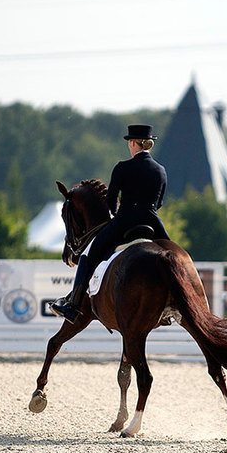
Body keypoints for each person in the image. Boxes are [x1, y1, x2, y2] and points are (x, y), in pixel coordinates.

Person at [51, 124, 171, 324]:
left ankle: (72, 305)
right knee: (174, 258)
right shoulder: (161, 170)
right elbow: (159, 203)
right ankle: (170, 308)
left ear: (133, 143)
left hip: (125, 221)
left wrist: (116, 215)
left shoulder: (123, 167)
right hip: (153, 222)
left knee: (87, 257)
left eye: (129, 143)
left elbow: (110, 200)